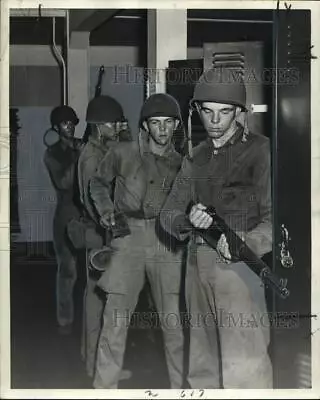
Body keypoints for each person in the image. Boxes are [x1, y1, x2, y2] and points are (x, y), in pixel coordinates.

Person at [160, 67, 273, 388]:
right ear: (196, 111)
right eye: (207, 112)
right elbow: (167, 215)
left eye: (224, 113)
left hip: (239, 271)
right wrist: (186, 220)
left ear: (240, 112)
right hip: (196, 270)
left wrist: (245, 242)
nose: (215, 121)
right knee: (201, 368)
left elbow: (275, 219)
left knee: (245, 370)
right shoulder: (194, 157)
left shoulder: (261, 151)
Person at [89, 93, 185, 389]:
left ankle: (182, 389)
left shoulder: (182, 163)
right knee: (114, 320)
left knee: (172, 324)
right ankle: (104, 390)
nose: (163, 129)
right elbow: (97, 183)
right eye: (156, 123)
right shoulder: (122, 152)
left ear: (176, 126)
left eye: (169, 123)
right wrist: (106, 212)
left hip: (165, 241)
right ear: (145, 126)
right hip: (127, 238)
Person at [77, 95, 131, 379]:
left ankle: (92, 359)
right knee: (99, 300)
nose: (118, 126)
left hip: (97, 231)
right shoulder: (93, 157)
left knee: (95, 297)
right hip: (98, 233)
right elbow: (92, 200)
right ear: (99, 126)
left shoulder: (97, 150)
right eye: (113, 123)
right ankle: (96, 365)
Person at [44, 105, 82, 335]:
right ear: (56, 127)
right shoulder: (53, 153)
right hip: (66, 216)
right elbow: (63, 183)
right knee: (68, 271)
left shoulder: (80, 146)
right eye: (64, 123)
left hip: (86, 214)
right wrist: (78, 158)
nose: (69, 127)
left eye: (72, 123)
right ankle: (65, 319)